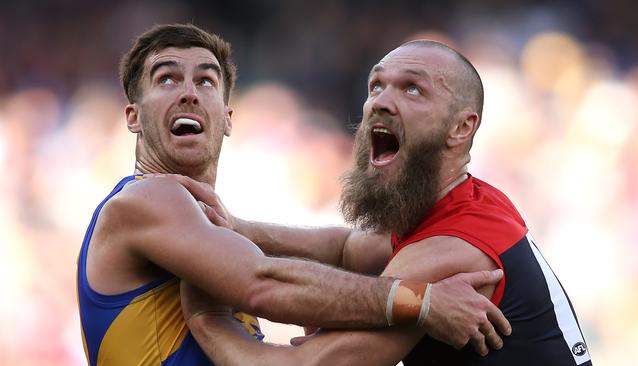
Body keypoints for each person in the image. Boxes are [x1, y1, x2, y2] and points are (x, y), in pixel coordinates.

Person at [76, 24, 511, 366]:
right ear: (133, 116)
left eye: (206, 82)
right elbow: (263, 284)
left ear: (227, 118)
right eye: (167, 79)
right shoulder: (145, 201)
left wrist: (243, 229)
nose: (189, 92)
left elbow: (345, 248)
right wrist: (421, 301)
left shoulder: (203, 229)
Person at [176, 40, 592, 365]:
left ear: (461, 128)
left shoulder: (450, 253)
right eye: (376, 85)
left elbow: (306, 364)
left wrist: (206, 321)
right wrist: (237, 227)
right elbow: (346, 248)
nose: (380, 101)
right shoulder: (465, 202)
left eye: (412, 88)